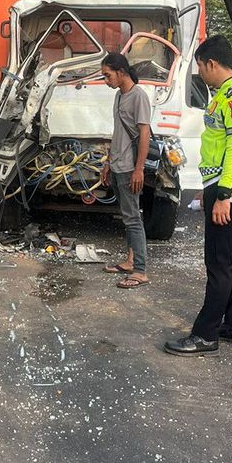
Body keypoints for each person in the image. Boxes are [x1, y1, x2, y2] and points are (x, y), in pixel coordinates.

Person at [166, 35, 232, 356]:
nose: (200, 73)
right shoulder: (223, 95)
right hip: (224, 184)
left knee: (219, 261)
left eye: (201, 67)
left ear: (212, 63)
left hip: (230, 186)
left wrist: (223, 195)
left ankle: (205, 334)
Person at [99, 53, 152, 289]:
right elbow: (117, 132)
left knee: (133, 219)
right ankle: (130, 261)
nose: (106, 80)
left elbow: (144, 134)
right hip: (118, 165)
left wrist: (139, 169)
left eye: (108, 75)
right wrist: (108, 162)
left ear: (121, 72)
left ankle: (140, 270)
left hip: (131, 167)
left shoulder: (138, 96)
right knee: (127, 216)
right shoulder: (119, 96)